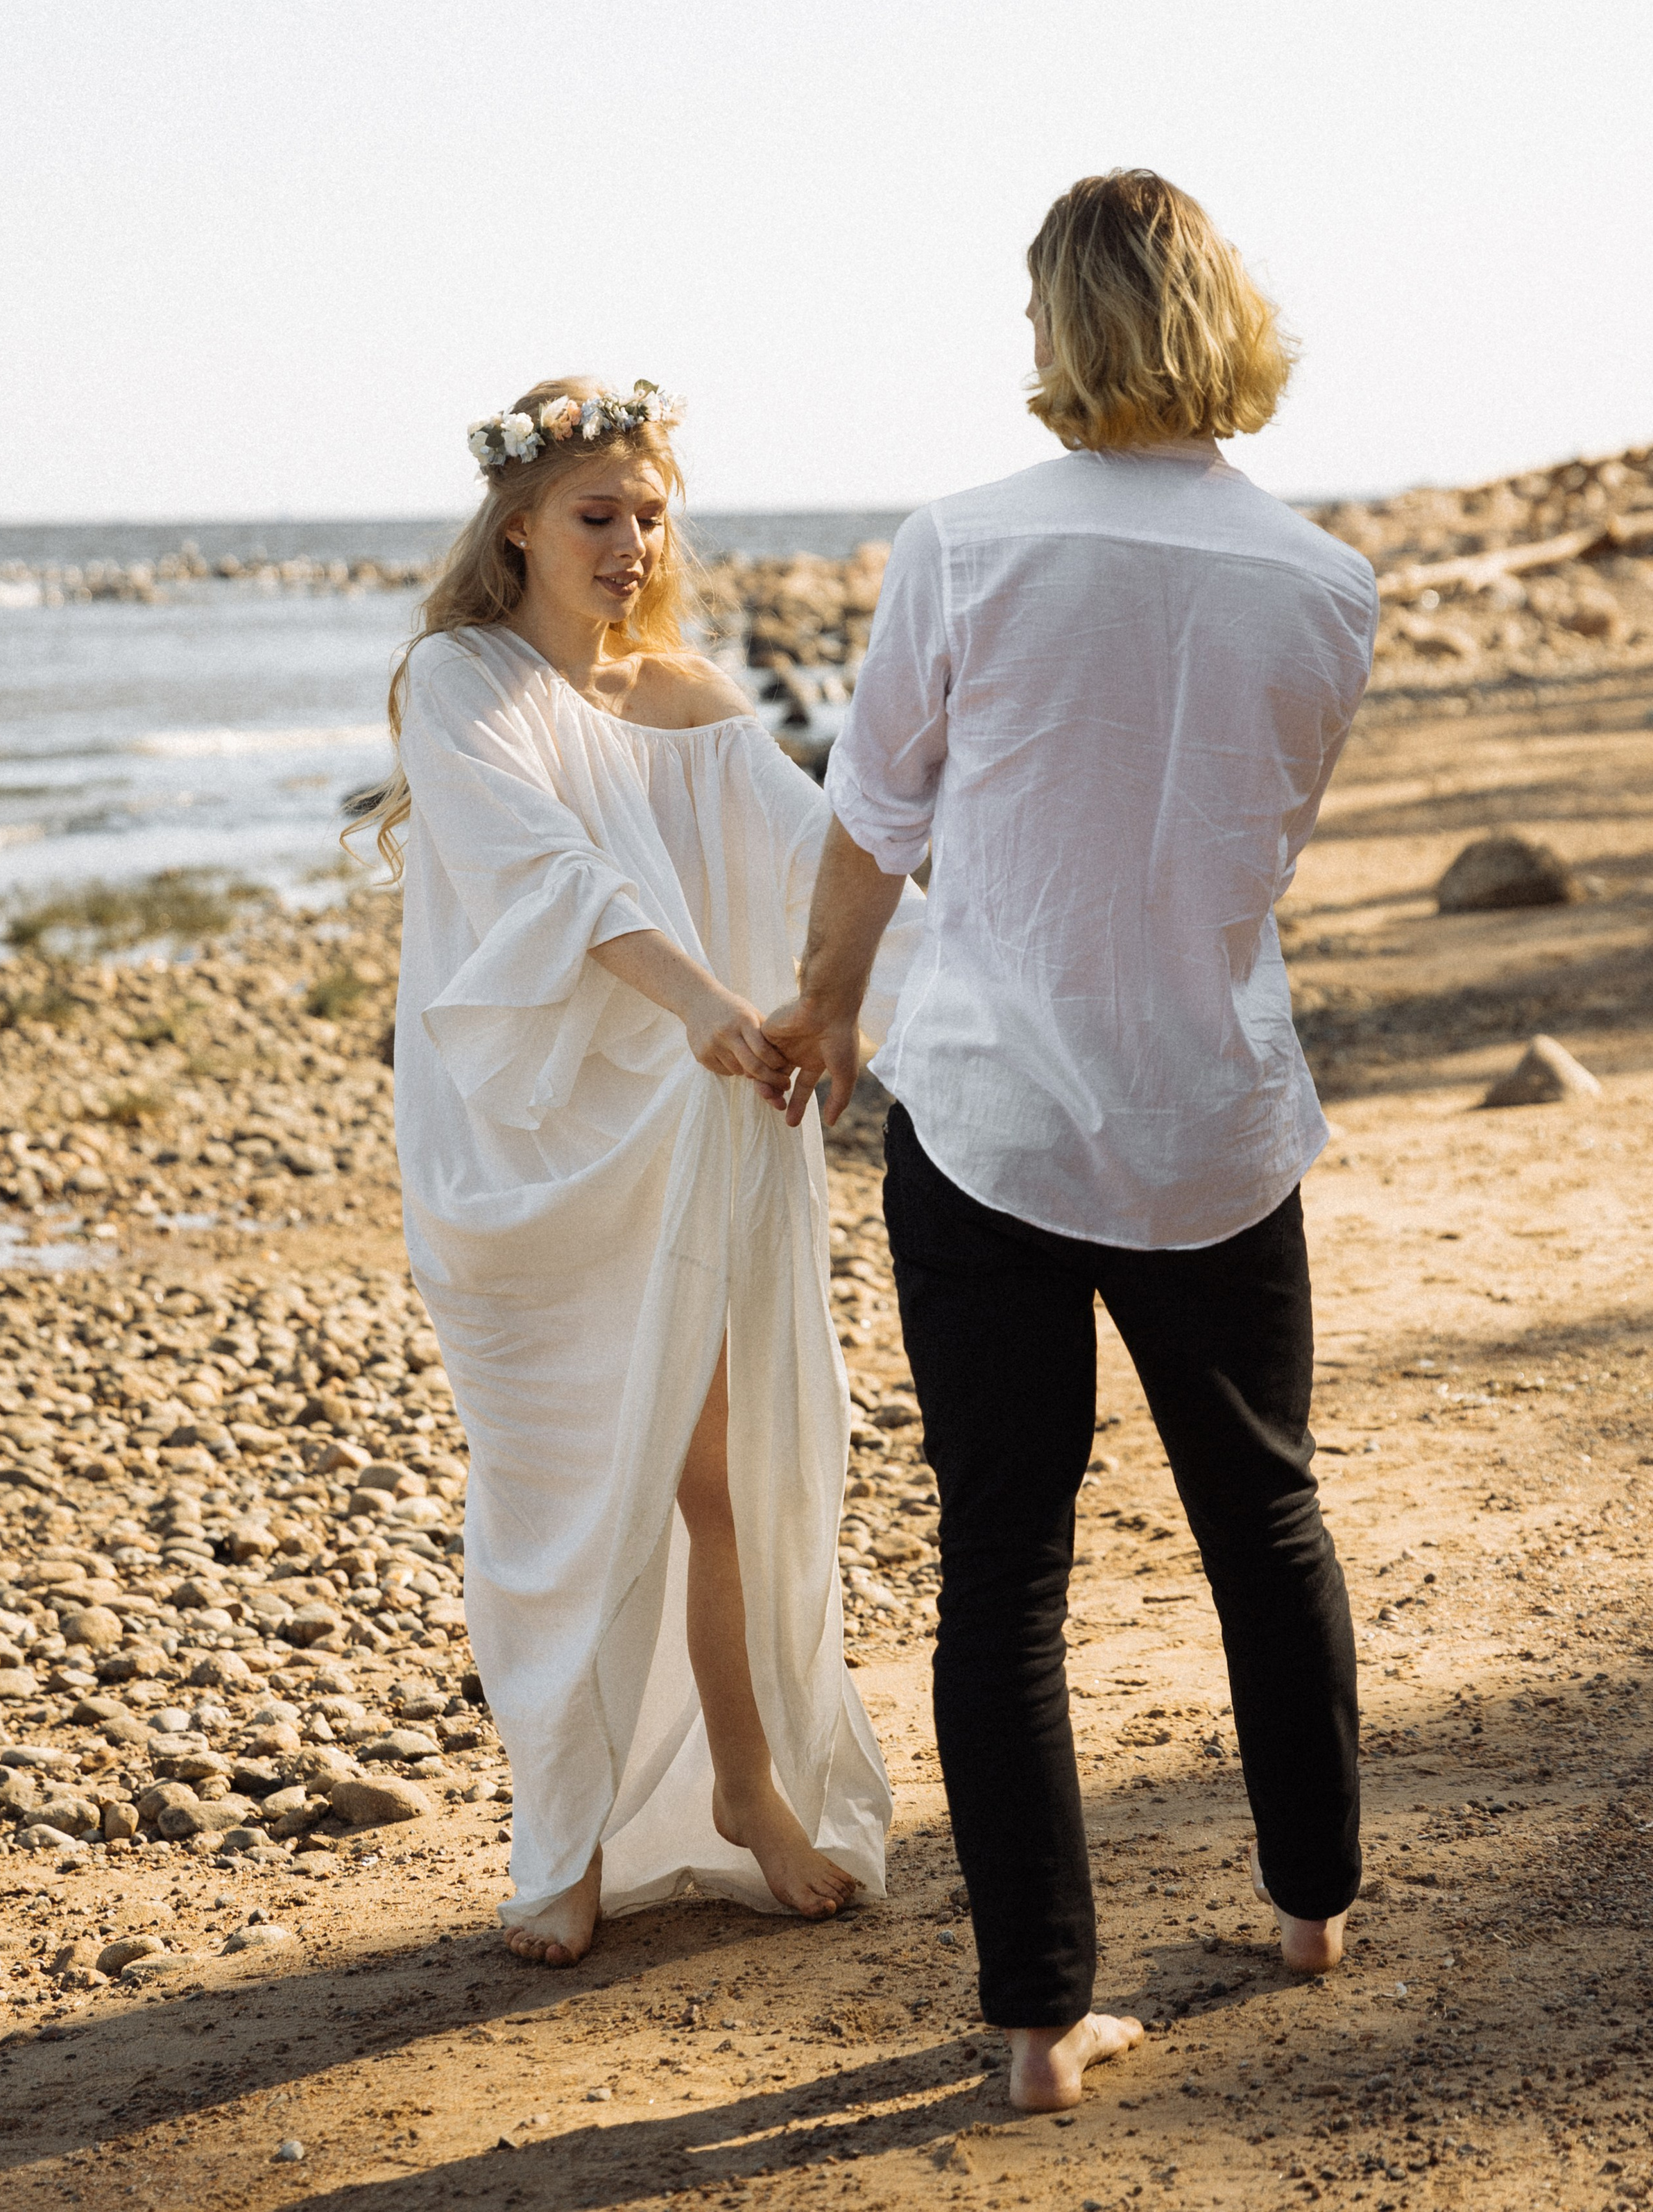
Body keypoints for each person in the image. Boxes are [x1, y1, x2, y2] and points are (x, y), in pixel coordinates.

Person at [766, 172, 1378, 2109]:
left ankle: (1036, 2021)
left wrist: (826, 1008)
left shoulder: (963, 546)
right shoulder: (1324, 580)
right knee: (1264, 1523)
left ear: (1058, 327)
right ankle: (1312, 1913)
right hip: (1208, 1111)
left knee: (1005, 1564)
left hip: (997, 1112)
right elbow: (1248, 850)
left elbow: (872, 812)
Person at [352, 377, 921, 1966]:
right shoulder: (455, 681)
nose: (627, 541)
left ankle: (744, 1788)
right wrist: (709, 1010)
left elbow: (822, 849)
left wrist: (865, 995)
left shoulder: (683, 695)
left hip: (698, 1123)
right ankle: (570, 1827)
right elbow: (553, 878)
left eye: (649, 513)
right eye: (595, 514)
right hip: (533, 1153)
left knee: (723, 1472)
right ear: (518, 526)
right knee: (569, 1482)